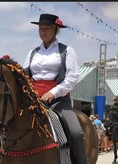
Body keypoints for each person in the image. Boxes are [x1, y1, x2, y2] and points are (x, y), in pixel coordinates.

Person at [23, 13, 85, 164]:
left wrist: (53, 92)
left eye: (46, 28)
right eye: (40, 28)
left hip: (58, 100)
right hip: (34, 100)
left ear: (56, 29)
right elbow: (24, 76)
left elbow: (72, 77)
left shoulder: (67, 51)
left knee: (75, 132)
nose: (42, 31)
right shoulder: (32, 53)